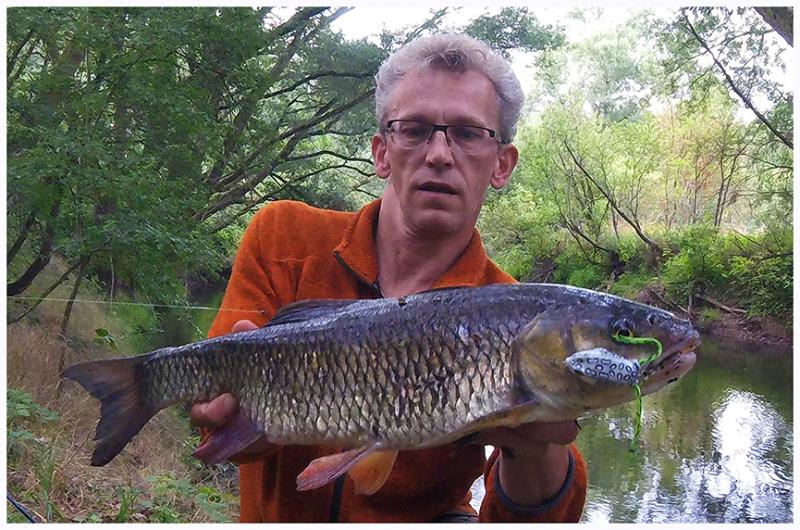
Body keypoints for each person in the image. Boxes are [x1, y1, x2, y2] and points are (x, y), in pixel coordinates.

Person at [189, 33, 587, 522]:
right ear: (382, 153)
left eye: (467, 134)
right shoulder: (284, 237)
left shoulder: (518, 314)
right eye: (415, 130)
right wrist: (240, 410)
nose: (439, 154)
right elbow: (217, 430)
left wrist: (537, 447)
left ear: (501, 164)